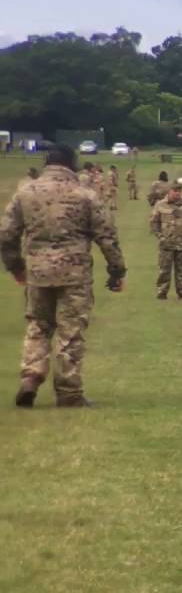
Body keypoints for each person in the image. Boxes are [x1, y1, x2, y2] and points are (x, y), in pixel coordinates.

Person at [1, 144, 127, 407]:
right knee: (70, 331)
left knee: (38, 325)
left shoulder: (25, 192)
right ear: (72, 163)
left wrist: (16, 267)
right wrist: (116, 270)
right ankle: (69, 392)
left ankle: (31, 375)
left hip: (37, 272)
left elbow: (6, 234)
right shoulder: (85, 194)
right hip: (74, 273)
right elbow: (106, 235)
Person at [149, 180, 182, 300]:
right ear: (169, 191)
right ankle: (162, 291)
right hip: (167, 243)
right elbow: (154, 222)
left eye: (179, 191)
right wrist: (160, 236)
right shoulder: (160, 205)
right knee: (164, 269)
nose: (177, 193)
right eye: (175, 191)